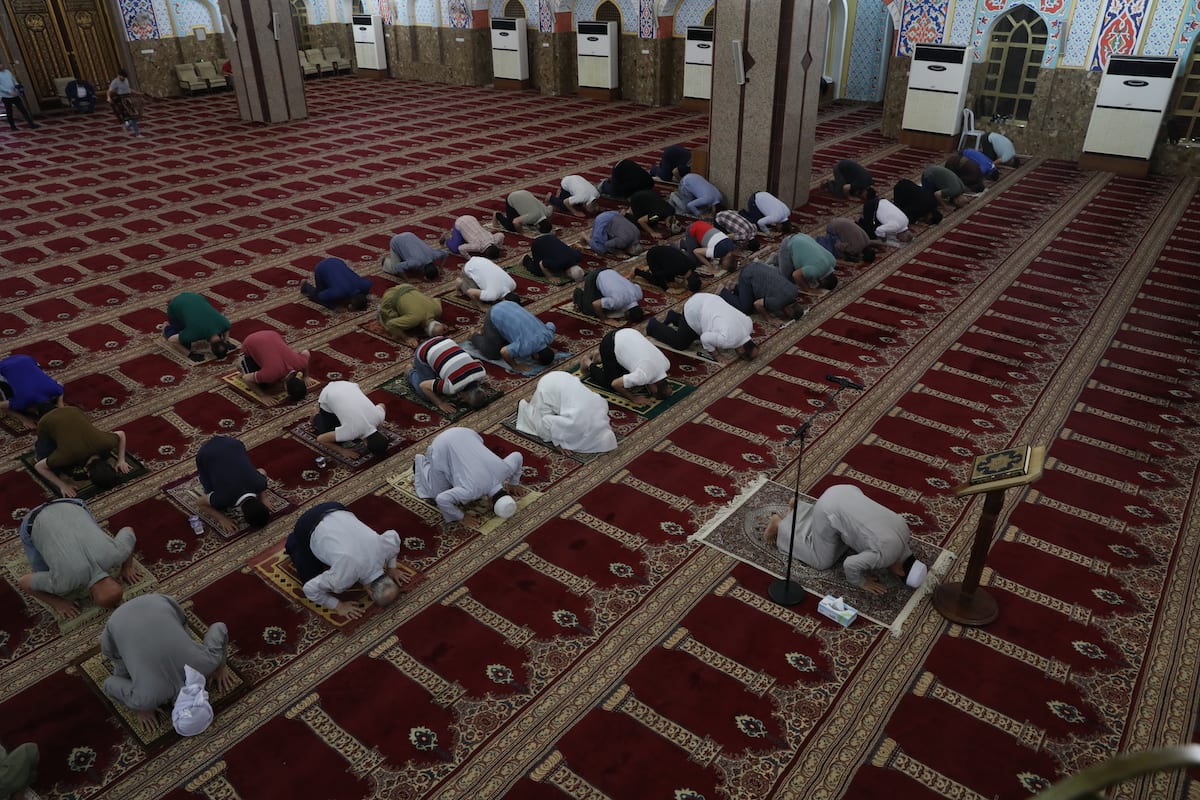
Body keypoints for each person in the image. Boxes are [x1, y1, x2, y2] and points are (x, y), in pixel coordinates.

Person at [100, 594, 235, 732]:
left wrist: (220, 665)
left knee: (181, 632)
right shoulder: (145, 698)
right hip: (114, 624)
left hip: (159, 600)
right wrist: (138, 706)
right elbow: (108, 683)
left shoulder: (207, 663)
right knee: (122, 671)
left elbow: (219, 627)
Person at [763, 484, 928, 595]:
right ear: (900, 571)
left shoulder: (904, 530)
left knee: (845, 541)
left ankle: (801, 507)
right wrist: (862, 581)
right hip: (828, 510)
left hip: (846, 490)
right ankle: (780, 525)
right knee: (821, 561)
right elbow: (849, 565)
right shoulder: (886, 555)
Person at [16, 498, 139, 618]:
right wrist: (58, 603)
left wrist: (127, 566)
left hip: (69, 503)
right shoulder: (63, 583)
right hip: (32, 521)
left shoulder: (117, 554)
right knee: (41, 571)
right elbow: (23, 582)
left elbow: (128, 530)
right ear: (90, 595)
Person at [285, 503, 408, 619]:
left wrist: (392, 567)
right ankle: (294, 541)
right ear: (370, 593)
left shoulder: (385, 550)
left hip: (335, 507)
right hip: (306, 524)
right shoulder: (343, 580)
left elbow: (393, 536)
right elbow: (310, 589)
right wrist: (338, 605)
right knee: (309, 577)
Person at [413, 427, 525, 527]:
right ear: (490, 504)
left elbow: (517, 456)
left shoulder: (505, 471)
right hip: (441, 445)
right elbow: (442, 499)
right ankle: (420, 465)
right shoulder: (471, 491)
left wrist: (513, 482)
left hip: (467, 433)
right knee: (435, 492)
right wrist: (461, 517)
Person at [33, 406, 131, 497]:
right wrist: (62, 485)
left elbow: (121, 434)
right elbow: (39, 467)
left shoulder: (106, 443)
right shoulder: (68, 456)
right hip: (46, 421)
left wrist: (121, 460)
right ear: (88, 473)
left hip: (73, 410)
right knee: (48, 460)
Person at [516, 371, 618, 455]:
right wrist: (558, 443)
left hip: (563, 376)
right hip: (547, 387)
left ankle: (536, 399)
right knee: (544, 432)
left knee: (558, 419)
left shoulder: (601, 405)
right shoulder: (574, 421)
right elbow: (547, 421)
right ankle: (525, 405)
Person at [647, 292, 758, 363]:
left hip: (709, 299)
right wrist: (717, 355)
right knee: (680, 343)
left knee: (694, 334)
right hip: (695, 309)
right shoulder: (728, 341)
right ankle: (653, 326)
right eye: (742, 356)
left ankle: (675, 317)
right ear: (742, 349)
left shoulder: (749, 325)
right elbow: (704, 338)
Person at [194, 435, 271, 534]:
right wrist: (222, 519)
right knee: (216, 501)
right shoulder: (224, 498)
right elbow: (200, 503)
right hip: (204, 454)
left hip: (233, 443)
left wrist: (263, 497)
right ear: (242, 513)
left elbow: (262, 471)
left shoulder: (260, 484)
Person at [580, 328, 672, 406]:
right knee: (609, 382)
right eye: (652, 392)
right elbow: (615, 384)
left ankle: (600, 356)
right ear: (655, 388)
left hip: (629, 332)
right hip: (610, 343)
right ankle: (588, 363)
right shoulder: (643, 376)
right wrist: (634, 398)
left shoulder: (666, 364)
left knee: (627, 375)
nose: (650, 392)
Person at [409, 335, 490, 414]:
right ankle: (410, 371)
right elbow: (423, 386)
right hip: (423, 351)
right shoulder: (452, 387)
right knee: (427, 394)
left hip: (442, 339)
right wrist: (440, 403)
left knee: (439, 379)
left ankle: (431, 364)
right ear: (467, 396)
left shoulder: (481, 372)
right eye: (466, 401)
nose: (463, 400)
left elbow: (477, 362)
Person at [470, 300, 557, 369]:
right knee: (492, 353)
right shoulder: (526, 347)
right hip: (494, 313)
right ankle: (473, 335)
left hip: (510, 304)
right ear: (537, 355)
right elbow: (504, 352)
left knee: (506, 340)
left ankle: (486, 328)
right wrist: (515, 366)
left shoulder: (548, 335)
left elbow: (551, 324)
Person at [313, 381, 388, 460]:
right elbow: (321, 439)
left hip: (348, 385)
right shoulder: (351, 433)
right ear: (365, 444)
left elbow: (382, 405)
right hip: (327, 396)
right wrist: (342, 451)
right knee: (334, 439)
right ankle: (315, 414)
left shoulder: (380, 417)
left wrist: (379, 424)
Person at [238, 330, 309, 400]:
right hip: (250, 341)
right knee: (262, 386)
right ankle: (239, 365)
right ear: (286, 389)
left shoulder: (301, 364)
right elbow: (246, 378)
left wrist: (306, 376)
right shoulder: (270, 375)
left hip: (272, 334)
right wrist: (263, 395)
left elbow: (306, 352)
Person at [719, 261, 803, 321]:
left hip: (759, 267)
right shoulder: (778, 302)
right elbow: (757, 304)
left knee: (752, 299)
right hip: (748, 275)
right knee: (746, 309)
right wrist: (769, 319)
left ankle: (735, 287)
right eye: (787, 314)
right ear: (789, 310)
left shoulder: (794, 291)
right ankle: (723, 291)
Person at [163, 292, 233, 362]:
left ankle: (181, 300)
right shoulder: (195, 334)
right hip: (175, 305)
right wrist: (190, 354)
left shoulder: (224, 324)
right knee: (185, 345)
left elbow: (227, 328)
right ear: (210, 348)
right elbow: (172, 340)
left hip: (196, 296)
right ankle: (166, 327)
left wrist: (227, 340)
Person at [0, 354, 63, 426]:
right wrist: (24, 420)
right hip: (2, 367)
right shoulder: (22, 402)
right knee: (13, 402)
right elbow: (2, 407)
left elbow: (60, 385)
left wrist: (60, 403)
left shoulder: (55, 390)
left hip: (25, 358)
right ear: (36, 411)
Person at [378, 283, 444, 347]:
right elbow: (391, 324)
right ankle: (380, 311)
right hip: (391, 296)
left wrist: (438, 323)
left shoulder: (438, 310)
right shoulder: (414, 319)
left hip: (409, 286)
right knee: (389, 325)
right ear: (426, 330)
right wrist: (407, 338)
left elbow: (437, 299)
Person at [573, 267, 645, 322]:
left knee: (606, 302)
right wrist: (604, 319)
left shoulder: (639, 295)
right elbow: (596, 304)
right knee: (590, 310)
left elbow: (635, 284)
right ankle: (579, 292)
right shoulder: (617, 302)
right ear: (628, 313)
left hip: (610, 270)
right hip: (594, 277)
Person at [302, 257, 372, 311]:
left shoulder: (365, 286)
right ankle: (306, 286)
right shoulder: (340, 292)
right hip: (321, 268)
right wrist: (333, 307)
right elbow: (321, 296)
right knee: (319, 296)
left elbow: (369, 281)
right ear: (350, 305)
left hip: (336, 261)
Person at [634, 245, 703, 292]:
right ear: (686, 282)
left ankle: (650, 268)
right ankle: (636, 271)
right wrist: (666, 288)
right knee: (656, 281)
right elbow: (657, 275)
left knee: (670, 279)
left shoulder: (692, 266)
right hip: (653, 256)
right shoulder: (676, 269)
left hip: (665, 255)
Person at [382, 232, 448, 280]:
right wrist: (407, 280)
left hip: (409, 234)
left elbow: (445, 253)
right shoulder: (416, 262)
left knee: (409, 261)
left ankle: (401, 257)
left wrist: (441, 268)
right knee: (395, 270)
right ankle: (386, 262)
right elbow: (398, 267)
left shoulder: (433, 256)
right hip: (395, 241)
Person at [0, 62, 38, 130]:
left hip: (15, 95)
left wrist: (17, 87)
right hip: (6, 96)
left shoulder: (8, 72)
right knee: (9, 112)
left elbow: (14, 80)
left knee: (23, 109)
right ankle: (13, 127)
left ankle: (31, 124)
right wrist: (9, 91)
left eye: (1, 64)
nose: (1, 66)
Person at [106, 67, 143, 137]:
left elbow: (128, 89)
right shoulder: (115, 82)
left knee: (137, 115)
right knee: (133, 116)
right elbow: (109, 91)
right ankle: (137, 133)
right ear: (119, 75)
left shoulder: (126, 80)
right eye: (123, 77)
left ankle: (128, 126)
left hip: (129, 98)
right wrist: (108, 98)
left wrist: (138, 93)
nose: (124, 78)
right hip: (122, 100)